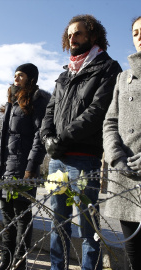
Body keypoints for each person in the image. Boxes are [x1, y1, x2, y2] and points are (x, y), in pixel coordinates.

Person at [40, 15, 122, 270]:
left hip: (84, 158)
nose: (72, 39)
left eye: (78, 34)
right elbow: (50, 111)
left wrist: (62, 138)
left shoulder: (108, 67)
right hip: (58, 158)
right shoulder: (65, 74)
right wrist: (47, 139)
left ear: (93, 36)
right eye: (70, 35)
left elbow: (97, 111)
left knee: (88, 229)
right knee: (58, 224)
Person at [0, 63, 50, 270]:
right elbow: (3, 137)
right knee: (7, 217)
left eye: (21, 75)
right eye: (15, 74)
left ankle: (19, 263)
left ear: (31, 78)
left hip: (23, 167)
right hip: (5, 166)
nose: (16, 78)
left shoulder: (36, 99)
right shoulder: (12, 102)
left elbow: (39, 135)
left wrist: (31, 166)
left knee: (21, 216)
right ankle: (5, 261)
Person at [103, 16, 141, 270]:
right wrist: (115, 155)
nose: (139, 36)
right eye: (136, 32)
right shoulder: (122, 77)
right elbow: (110, 121)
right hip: (127, 177)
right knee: (133, 255)